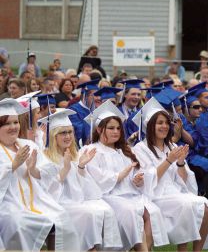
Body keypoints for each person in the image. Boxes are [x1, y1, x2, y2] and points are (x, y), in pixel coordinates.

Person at [132, 98, 208, 251]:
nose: (165, 126)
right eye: (160, 123)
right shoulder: (140, 149)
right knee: (186, 205)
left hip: (174, 193)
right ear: (150, 126)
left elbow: (182, 181)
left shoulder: (172, 146)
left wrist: (180, 162)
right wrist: (168, 160)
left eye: (167, 123)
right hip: (155, 195)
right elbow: (148, 179)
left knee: (206, 205)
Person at [83, 100, 169, 250]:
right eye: (110, 128)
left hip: (131, 194)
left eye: (118, 128)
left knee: (152, 212)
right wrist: (119, 175)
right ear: (99, 129)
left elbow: (136, 174)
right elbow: (97, 179)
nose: (116, 131)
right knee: (131, 211)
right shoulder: (92, 150)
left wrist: (137, 180)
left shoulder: (125, 151)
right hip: (109, 196)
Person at [37, 109, 123, 250]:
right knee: (89, 214)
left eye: (70, 132)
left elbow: (86, 189)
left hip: (77, 200)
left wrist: (82, 166)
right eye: (63, 133)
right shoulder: (45, 157)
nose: (68, 136)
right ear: (53, 136)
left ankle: (101, 248)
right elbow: (47, 191)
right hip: (58, 203)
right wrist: (64, 170)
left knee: (105, 210)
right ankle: (88, 248)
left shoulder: (74, 155)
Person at [0, 98, 79, 251]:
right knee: (19, 224)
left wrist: (33, 169)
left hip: (38, 201)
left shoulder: (28, 145)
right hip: (9, 205)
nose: (13, 127)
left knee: (63, 218)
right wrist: (13, 166)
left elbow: (48, 174)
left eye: (15, 122)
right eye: (7, 123)